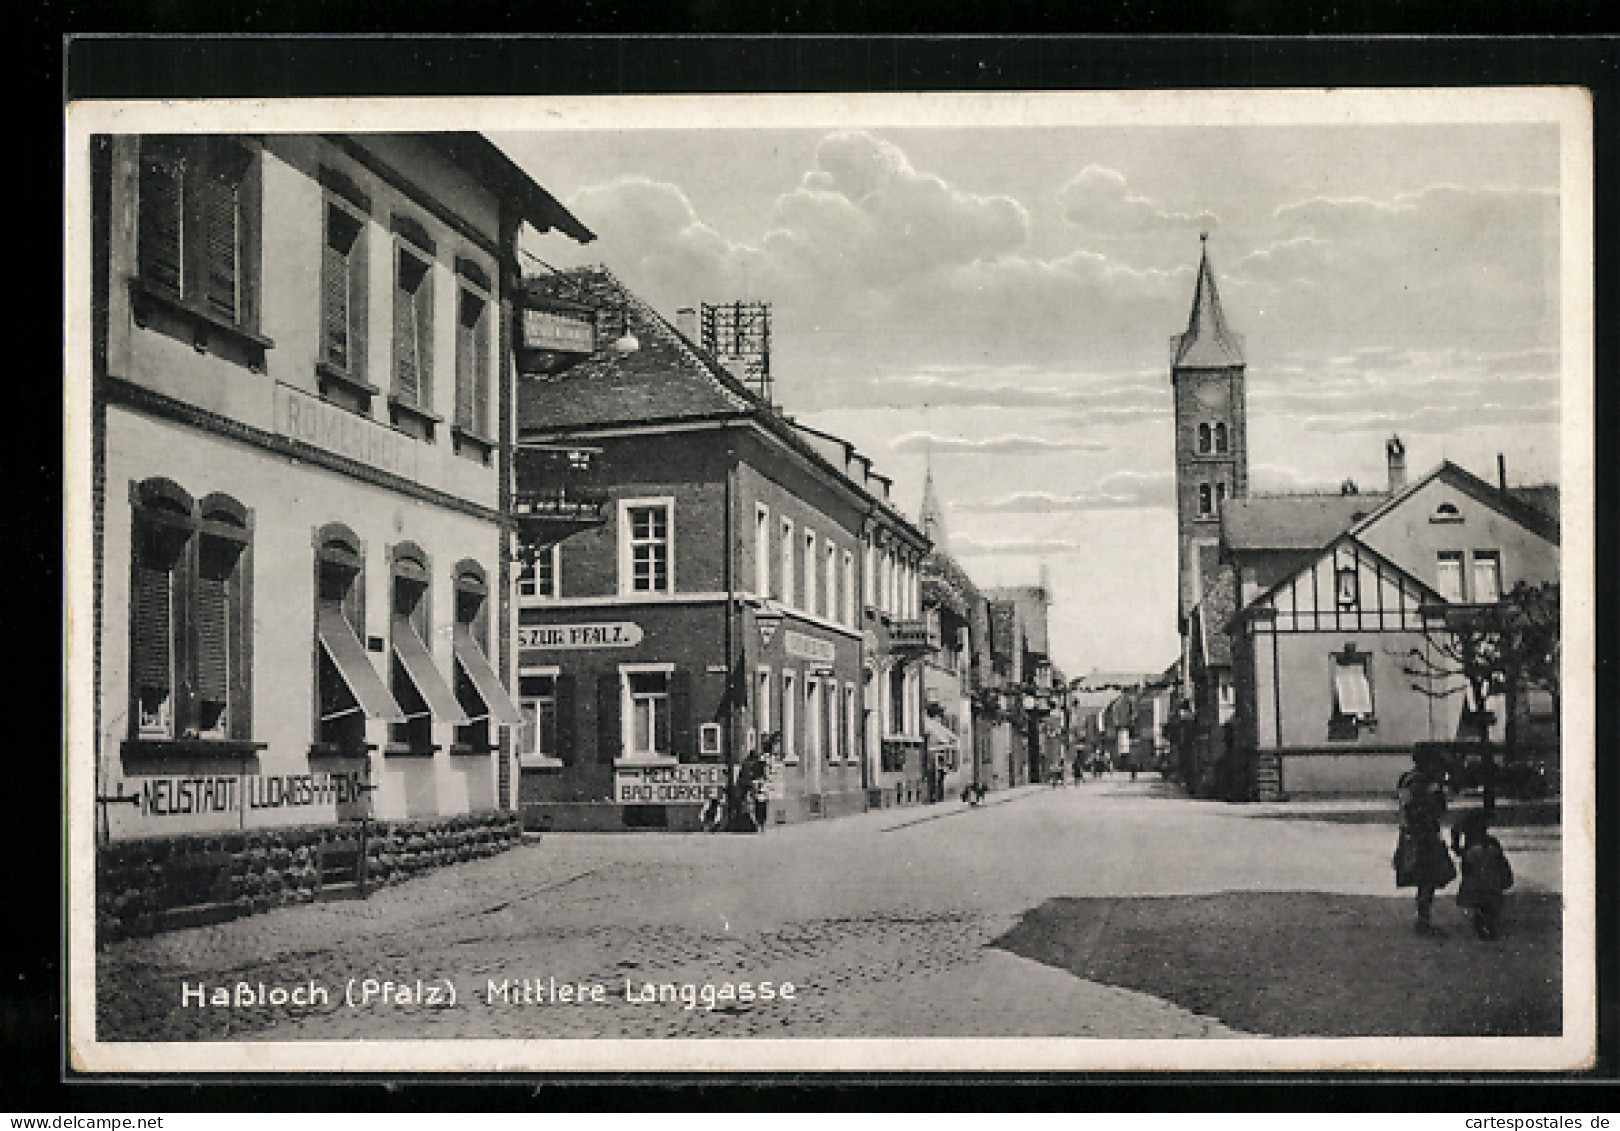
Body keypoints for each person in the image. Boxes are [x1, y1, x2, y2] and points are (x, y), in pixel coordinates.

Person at [1394, 750, 1457, 935]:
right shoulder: (1424, 784)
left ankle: (1423, 917)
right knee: (1428, 877)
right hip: (1424, 835)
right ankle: (1423, 920)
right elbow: (1432, 810)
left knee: (1424, 877)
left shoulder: (1407, 779)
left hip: (1411, 834)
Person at [1453, 810, 1514, 940]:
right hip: (1492, 881)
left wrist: (1456, 843)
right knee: (1491, 904)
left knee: (1479, 902)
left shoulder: (1469, 849)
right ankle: (1489, 925)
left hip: (1476, 883)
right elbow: (1502, 863)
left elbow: (1465, 868)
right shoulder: (1492, 843)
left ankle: (1481, 922)